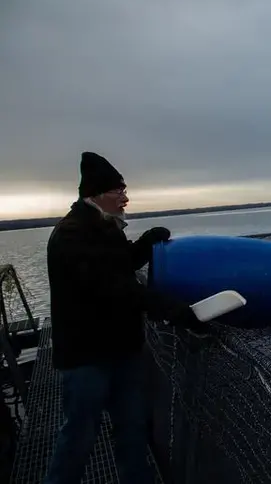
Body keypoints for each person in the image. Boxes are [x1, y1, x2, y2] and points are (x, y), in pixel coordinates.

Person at [43, 151, 208, 484]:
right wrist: (173, 308)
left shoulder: (104, 227)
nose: (126, 198)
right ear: (97, 193)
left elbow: (118, 266)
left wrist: (145, 245)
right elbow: (111, 287)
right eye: (119, 191)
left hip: (123, 351)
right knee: (79, 435)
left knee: (133, 429)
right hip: (86, 357)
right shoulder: (70, 234)